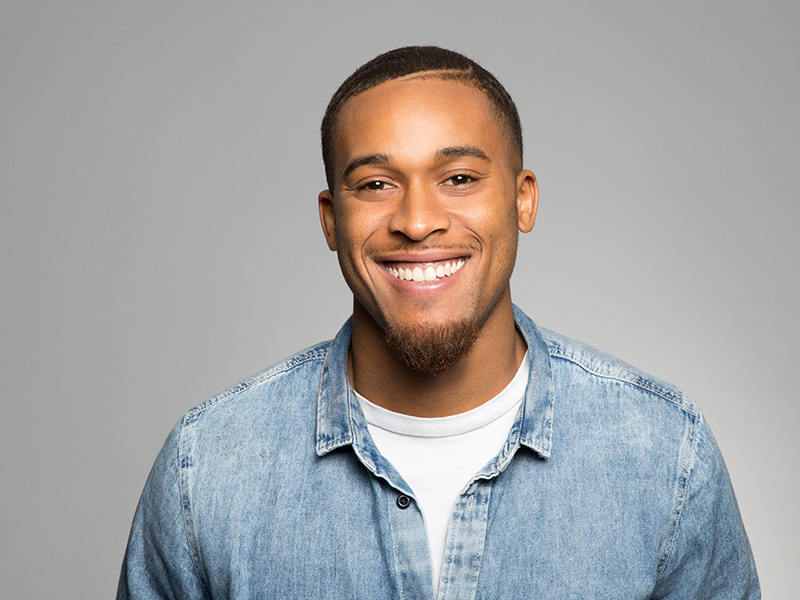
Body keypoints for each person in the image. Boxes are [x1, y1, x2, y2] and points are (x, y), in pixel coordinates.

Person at [118, 46, 759, 599]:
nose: (418, 220)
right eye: (374, 184)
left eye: (458, 177)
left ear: (522, 198)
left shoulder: (664, 456)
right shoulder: (206, 471)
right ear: (331, 219)